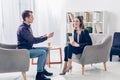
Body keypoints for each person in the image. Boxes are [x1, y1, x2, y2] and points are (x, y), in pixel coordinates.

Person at [17, 10, 54, 80]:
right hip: (23, 52)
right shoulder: (23, 29)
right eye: (31, 16)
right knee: (42, 52)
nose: (33, 18)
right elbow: (33, 40)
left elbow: (32, 39)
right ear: (26, 18)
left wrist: (44, 36)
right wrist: (46, 37)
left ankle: (42, 70)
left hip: (28, 48)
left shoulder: (28, 27)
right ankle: (39, 75)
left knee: (46, 49)